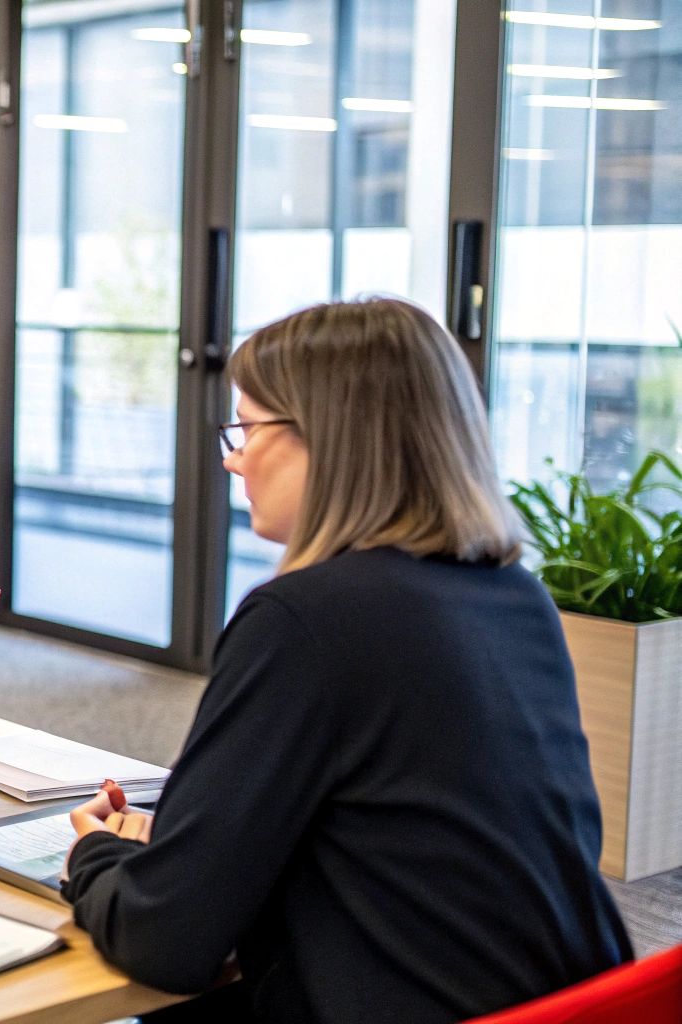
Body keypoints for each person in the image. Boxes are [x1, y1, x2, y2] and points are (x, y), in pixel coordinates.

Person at [61, 297, 631, 1022]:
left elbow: (164, 938)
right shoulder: (516, 597)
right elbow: (410, 841)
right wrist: (186, 850)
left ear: (328, 441)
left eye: (247, 428)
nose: (233, 458)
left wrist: (96, 858)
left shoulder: (306, 619)